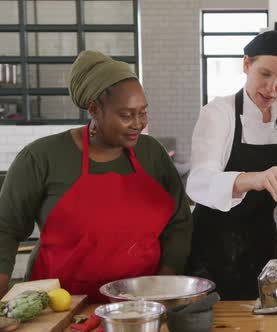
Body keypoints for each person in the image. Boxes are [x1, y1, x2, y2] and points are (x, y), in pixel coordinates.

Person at [0, 50, 193, 302]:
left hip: (138, 305)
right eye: (126, 115)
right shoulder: (41, 157)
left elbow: (179, 222)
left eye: (143, 112)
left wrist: (164, 285)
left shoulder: (152, 155)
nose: (139, 123)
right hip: (59, 306)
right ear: (94, 109)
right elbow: (5, 228)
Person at [186, 30, 277, 300]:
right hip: (213, 252)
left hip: (263, 255)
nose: (272, 87)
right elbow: (199, 182)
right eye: (265, 74)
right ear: (246, 64)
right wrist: (254, 179)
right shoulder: (217, 114)